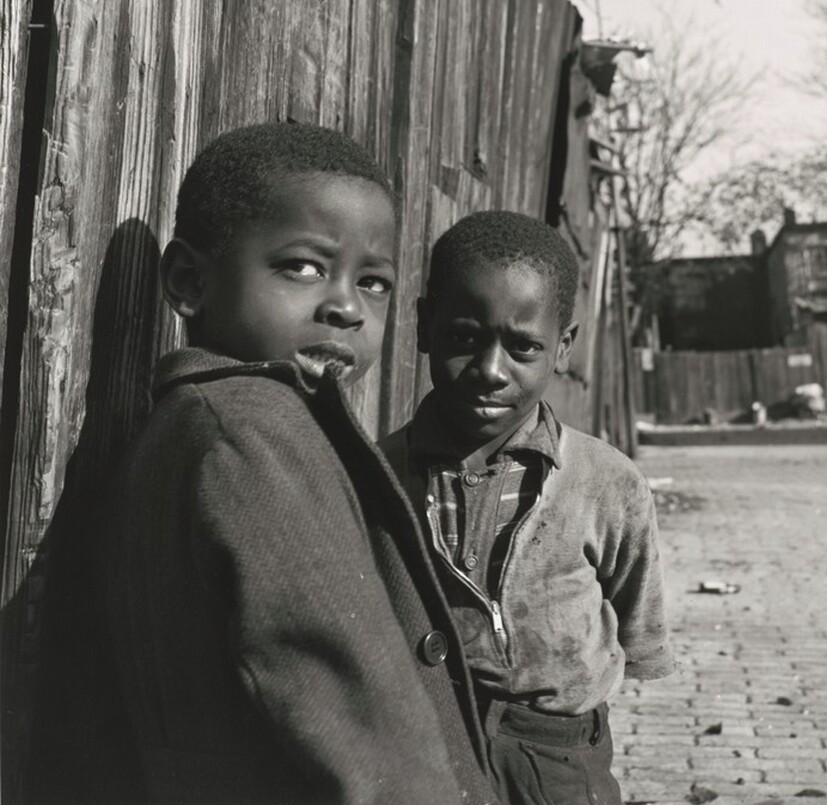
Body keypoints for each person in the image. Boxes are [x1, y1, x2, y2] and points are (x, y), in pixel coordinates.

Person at [106, 122, 494, 805]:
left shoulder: (201, 421)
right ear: (188, 280)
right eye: (303, 266)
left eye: (372, 282)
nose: (345, 305)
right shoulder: (255, 435)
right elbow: (346, 691)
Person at [381, 210, 675, 805]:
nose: (491, 370)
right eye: (464, 336)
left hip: (560, 754)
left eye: (522, 347)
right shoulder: (378, 474)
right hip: (427, 743)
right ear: (423, 325)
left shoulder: (605, 481)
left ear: (562, 347)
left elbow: (637, 612)